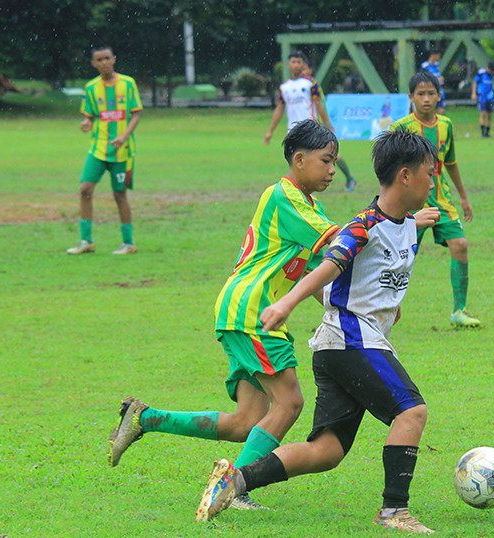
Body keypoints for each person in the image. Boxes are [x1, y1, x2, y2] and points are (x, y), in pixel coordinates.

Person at [195, 129, 442, 533]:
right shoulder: (362, 226)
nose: (433, 183)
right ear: (405, 175)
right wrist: (286, 303)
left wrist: (389, 305)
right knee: (411, 412)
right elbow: (328, 266)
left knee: (326, 451)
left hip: (344, 343)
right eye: (429, 174)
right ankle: (394, 513)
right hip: (350, 340)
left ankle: (233, 483)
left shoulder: (406, 226)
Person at [108, 120, 342, 510]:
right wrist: (393, 221)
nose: (333, 169)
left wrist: (350, 310)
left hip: (241, 311)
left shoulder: (306, 205)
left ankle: (144, 418)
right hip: (254, 312)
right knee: (289, 403)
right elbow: (340, 241)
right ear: (299, 160)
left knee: (246, 421)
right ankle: (233, 489)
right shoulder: (285, 196)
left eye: (335, 162)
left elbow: (317, 275)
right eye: (326, 160)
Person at [391, 71, 480, 328]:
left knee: (460, 244)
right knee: (402, 256)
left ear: (439, 96)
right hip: (409, 204)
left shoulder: (446, 126)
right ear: (411, 97)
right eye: (421, 94)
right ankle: (385, 306)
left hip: (441, 201)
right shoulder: (401, 128)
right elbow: (388, 167)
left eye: (431, 93)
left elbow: (450, 163)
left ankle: (459, 311)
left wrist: (463, 197)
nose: (426, 99)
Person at [68, 46, 142, 256]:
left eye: (107, 58)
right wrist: (86, 122)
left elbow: (136, 114)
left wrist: (124, 136)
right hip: (98, 148)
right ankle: (86, 241)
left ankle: (128, 243)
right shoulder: (91, 87)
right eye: (99, 60)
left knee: (119, 194)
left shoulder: (128, 84)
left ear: (114, 59)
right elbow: (90, 114)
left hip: (122, 150)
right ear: (94, 64)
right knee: (85, 189)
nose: (104, 62)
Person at [265, 51, 356, 191]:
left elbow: (319, 103)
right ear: (288, 64)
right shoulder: (284, 87)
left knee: (331, 155)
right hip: (293, 131)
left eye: (299, 62)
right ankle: (300, 188)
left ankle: (349, 178)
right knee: (296, 159)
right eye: (293, 62)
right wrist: (270, 131)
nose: (296, 65)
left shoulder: (310, 83)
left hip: (311, 129)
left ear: (303, 65)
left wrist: (327, 125)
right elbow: (279, 108)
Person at [471, 61, 494, 138]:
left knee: (489, 114)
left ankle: (487, 132)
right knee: (483, 113)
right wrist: (474, 93)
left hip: (490, 96)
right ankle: (482, 132)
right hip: (482, 96)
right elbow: (475, 82)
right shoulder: (481, 73)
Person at [420, 48, 446, 114]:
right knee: (430, 110)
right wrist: (436, 80)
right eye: (438, 55)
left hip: (439, 90)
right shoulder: (425, 66)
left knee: (442, 110)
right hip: (430, 90)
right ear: (433, 55)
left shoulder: (436, 65)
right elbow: (422, 79)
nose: (439, 57)